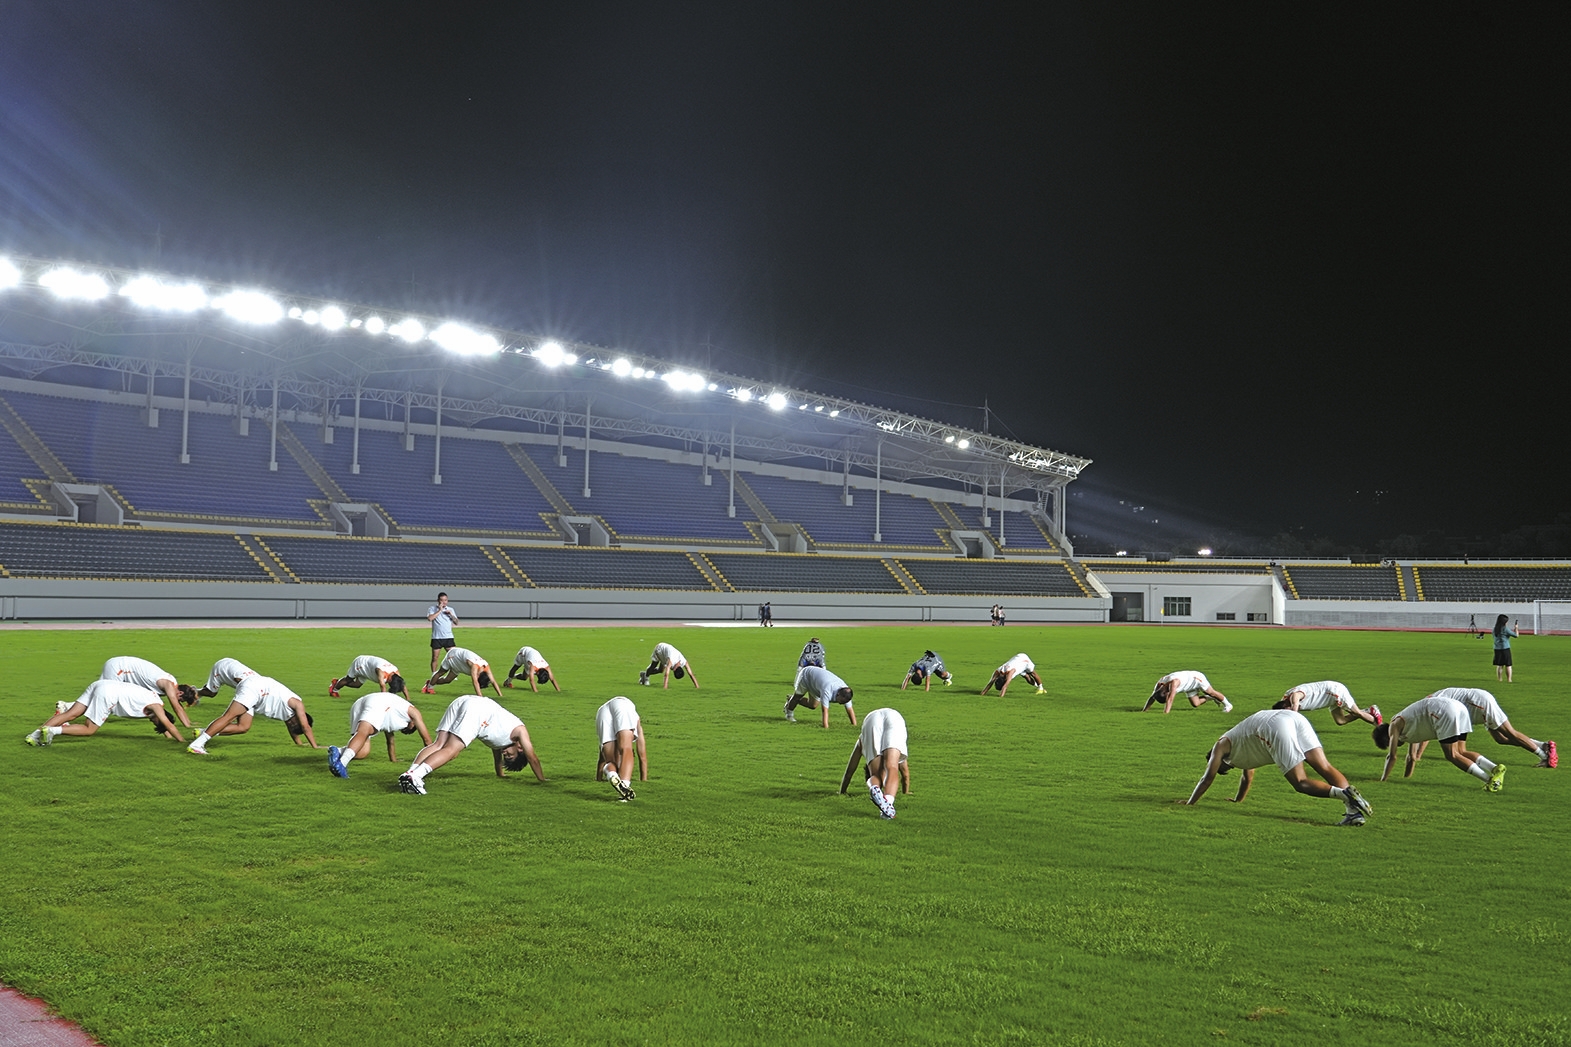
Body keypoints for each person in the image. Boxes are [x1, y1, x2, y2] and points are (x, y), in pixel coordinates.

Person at [1186, 708, 1374, 825]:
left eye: (1223, 768)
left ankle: (1345, 794)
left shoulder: (1220, 746)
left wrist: (1190, 803)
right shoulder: (1241, 751)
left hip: (1272, 727)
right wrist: (1237, 801)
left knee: (1300, 782)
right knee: (1324, 766)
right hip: (1292, 717)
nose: (1228, 769)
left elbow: (1207, 778)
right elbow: (1247, 777)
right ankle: (1353, 813)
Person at [396, 695, 545, 794]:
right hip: (478, 711)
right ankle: (415, 776)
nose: (505, 754)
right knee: (451, 750)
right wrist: (542, 780)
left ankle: (409, 774)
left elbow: (497, 757)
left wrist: (500, 774)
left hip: (464, 701)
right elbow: (533, 758)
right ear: (520, 748)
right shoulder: (520, 731)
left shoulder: (501, 743)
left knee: (439, 744)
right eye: (510, 756)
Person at [1373, 695, 1509, 791]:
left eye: (1388, 743)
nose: (1393, 745)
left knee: (1451, 755)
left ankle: (1490, 781)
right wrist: (1406, 779)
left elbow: (1392, 756)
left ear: (1386, 738)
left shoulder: (1394, 726)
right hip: (1459, 708)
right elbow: (1412, 757)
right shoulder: (1408, 729)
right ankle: (1495, 768)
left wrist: (1383, 780)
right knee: (1461, 752)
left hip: (1442, 712)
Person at [1422, 687, 1555, 768]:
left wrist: (1416, 755)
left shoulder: (1430, 705)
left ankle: (1545, 756)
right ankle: (1544, 745)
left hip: (1478, 703)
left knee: (1510, 733)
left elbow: (1424, 734)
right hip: (1473, 705)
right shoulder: (1430, 703)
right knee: (1500, 739)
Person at [25, 679, 188, 746]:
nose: (153, 722)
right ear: (163, 716)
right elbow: (168, 725)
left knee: (70, 714)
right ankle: (53, 731)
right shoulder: (157, 706)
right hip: (109, 694)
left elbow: (166, 726)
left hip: (101, 684)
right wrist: (182, 741)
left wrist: (168, 736)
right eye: (156, 722)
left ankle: (34, 736)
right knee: (89, 729)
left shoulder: (152, 704)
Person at [186, 675, 319, 754]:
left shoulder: (289, 716)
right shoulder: (297, 704)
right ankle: (196, 745)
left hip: (255, 694)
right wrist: (315, 746)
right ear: (300, 718)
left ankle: (203, 732)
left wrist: (299, 744)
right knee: (229, 717)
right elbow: (305, 726)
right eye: (294, 724)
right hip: (256, 689)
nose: (291, 725)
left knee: (243, 727)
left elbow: (295, 729)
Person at [328, 692, 432, 778]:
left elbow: (390, 740)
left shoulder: (394, 714)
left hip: (361, 703)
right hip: (378, 704)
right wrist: (430, 763)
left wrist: (393, 759)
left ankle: (338, 751)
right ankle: (342, 764)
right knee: (364, 732)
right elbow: (427, 740)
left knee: (363, 751)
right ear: (413, 725)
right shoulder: (414, 712)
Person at [839, 707, 909, 818]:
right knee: (892, 767)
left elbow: (850, 771)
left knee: (876, 774)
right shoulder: (861, 741)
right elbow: (905, 775)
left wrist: (842, 791)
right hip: (895, 717)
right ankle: (888, 804)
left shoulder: (862, 741)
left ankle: (875, 788)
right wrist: (906, 791)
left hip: (871, 720)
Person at [100, 656, 198, 730]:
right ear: (180, 693)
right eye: (181, 700)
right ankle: (94, 721)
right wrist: (187, 726)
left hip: (119, 665)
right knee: (108, 697)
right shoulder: (169, 685)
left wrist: (189, 722)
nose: (179, 702)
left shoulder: (171, 683)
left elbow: (176, 707)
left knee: (99, 692)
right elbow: (176, 707)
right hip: (119, 667)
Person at [594, 696, 647, 801]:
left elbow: (601, 759)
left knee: (609, 761)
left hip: (602, 711)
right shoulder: (635, 719)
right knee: (626, 749)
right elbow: (642, 756)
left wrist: (598, 777)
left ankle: (611, 774)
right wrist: (643, 779)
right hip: (622, 704)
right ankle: (625, 787)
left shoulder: (633, 717)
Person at [784, 665, 856, 728]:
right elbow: (825, 710)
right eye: (842, 701)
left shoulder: (846, 694)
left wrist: (854, 725)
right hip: (806, 676)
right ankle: (789, 714)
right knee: (797, 696)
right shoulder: (828, 690)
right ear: (838, 694)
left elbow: (850, 710)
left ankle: (791, 700)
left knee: (813, 705)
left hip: (816, 684)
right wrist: (826, 728)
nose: (841, 703)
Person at [1273, 680, 1376, 725]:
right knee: (1340, 721)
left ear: (1286, 705)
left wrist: (1293, 716)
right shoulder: (1285, 699)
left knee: (1357, 712)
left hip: (1334, 691)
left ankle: (1378, 724)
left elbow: (1295, 702)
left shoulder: (1294, 696)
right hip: (1329, 699)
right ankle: (1367, 711)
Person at [423, 646, 503, 698]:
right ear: (479, 676)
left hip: (460, 665)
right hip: (453, 656)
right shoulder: (475, 666)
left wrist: (500, 695)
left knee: (447, 680)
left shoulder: (486, 667)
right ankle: (429, 687)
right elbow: (475, 682)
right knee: (441, 672)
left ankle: (431, 682)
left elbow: (493, 681)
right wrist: (480, 696)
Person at [1144, 670, 1232, 714]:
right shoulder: (1159, 685)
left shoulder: (1174, 682)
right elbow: (1152, 697)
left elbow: (1170, 699)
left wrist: (1166, 713)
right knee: (1195, 704)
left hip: (1196, 679)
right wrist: (1144, 711)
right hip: (1188, 686)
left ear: (1166, 693)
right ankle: (1211, 698)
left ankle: (1228, 705)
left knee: (1210, 692)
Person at [329, 655, 409, 700]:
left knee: (357, 685)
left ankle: (337, 683)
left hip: (368, 669)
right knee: (348, 680)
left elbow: (402, 684)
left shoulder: (396, 672)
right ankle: (334, 689)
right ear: (390, 680)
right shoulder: (381, 671)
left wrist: (408, 699)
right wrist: (384, 701)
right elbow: (382, 686)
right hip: (361, 664)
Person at [427, 592, 460, 672]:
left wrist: (451, 614)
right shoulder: (432, 609)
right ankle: (434, 674)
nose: (444, 602)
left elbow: (456, 622)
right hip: (437, 637)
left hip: (448, 637)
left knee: (453, 657)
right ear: (438, 600)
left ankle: (453, 674)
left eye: (445, 600)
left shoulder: (450, 609)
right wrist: (440, 610)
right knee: (435, 658)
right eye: (442, 600)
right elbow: (430, 618)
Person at [1492, 614, 1519, 683]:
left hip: (1497, 648)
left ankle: (1500, 679)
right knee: (1508, 664)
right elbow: (1516, 635)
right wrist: (1516, 628)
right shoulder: (1505, 629)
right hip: (1505, 648)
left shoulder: (1495, 629)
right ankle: (1509, 679)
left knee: (1499, 665)